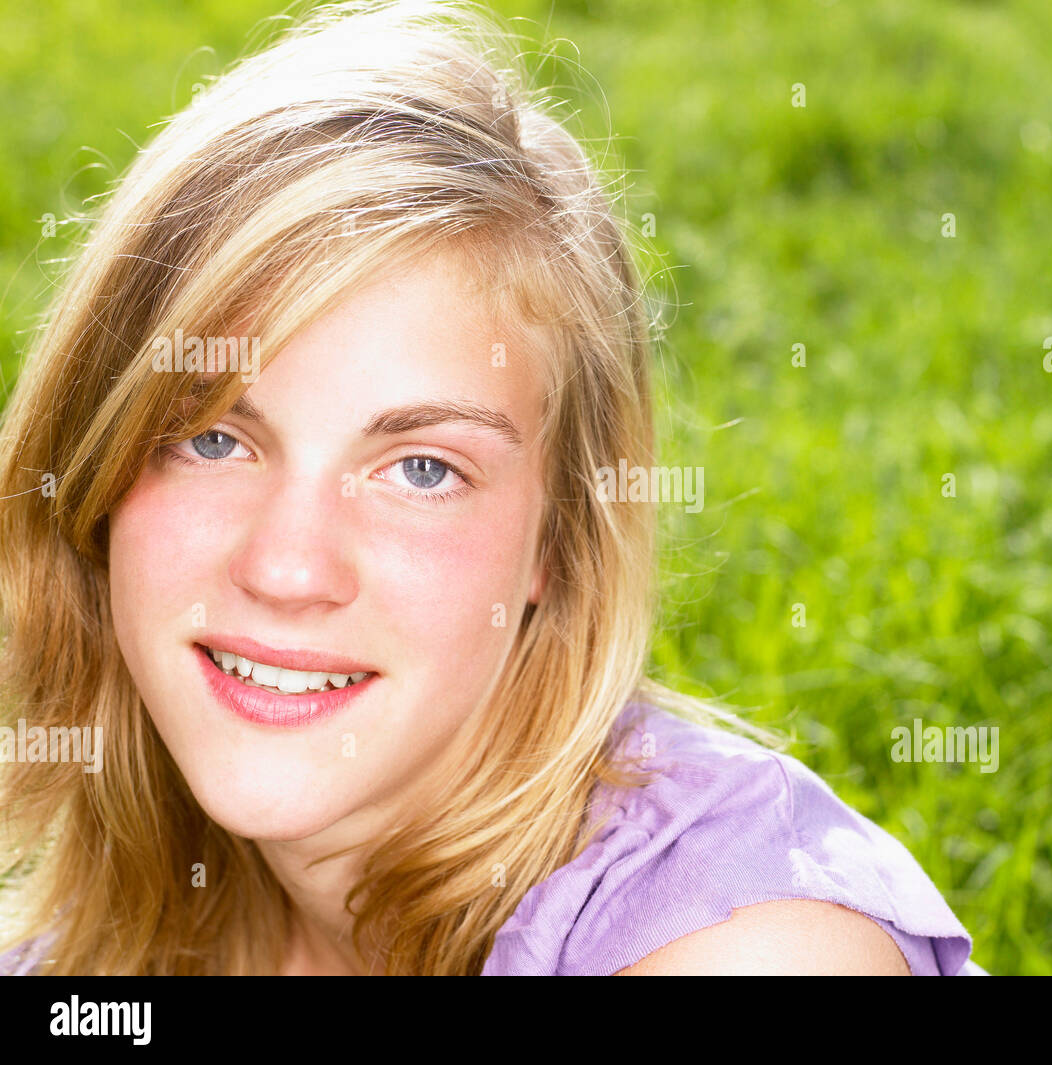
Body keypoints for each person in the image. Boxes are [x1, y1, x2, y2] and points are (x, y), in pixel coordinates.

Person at [0, 0, 983, 975]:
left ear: (556, 542)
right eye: (210, 439)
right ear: (94, 463)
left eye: (421, 470)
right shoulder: (113, 938)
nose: (288, 565)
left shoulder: (748, 948)